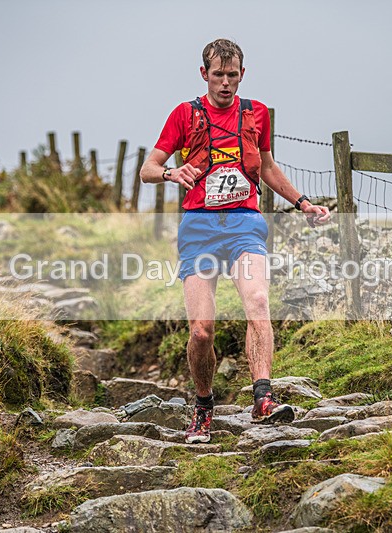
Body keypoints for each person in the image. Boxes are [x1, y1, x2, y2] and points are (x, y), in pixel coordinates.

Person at [140, 38, 330, 443]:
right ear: (204, 74)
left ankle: (263, 398)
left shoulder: (256, 113)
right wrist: (171, 173)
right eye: (218, 74)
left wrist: (303, 203)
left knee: (258, 301)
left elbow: (268, 167)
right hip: (199, 228)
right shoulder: (184, 115)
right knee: (202, 331)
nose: (225, 83)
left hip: (245, 223)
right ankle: (203, 407)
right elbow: (147, 168)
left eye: (232, 75)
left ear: (242, 74)